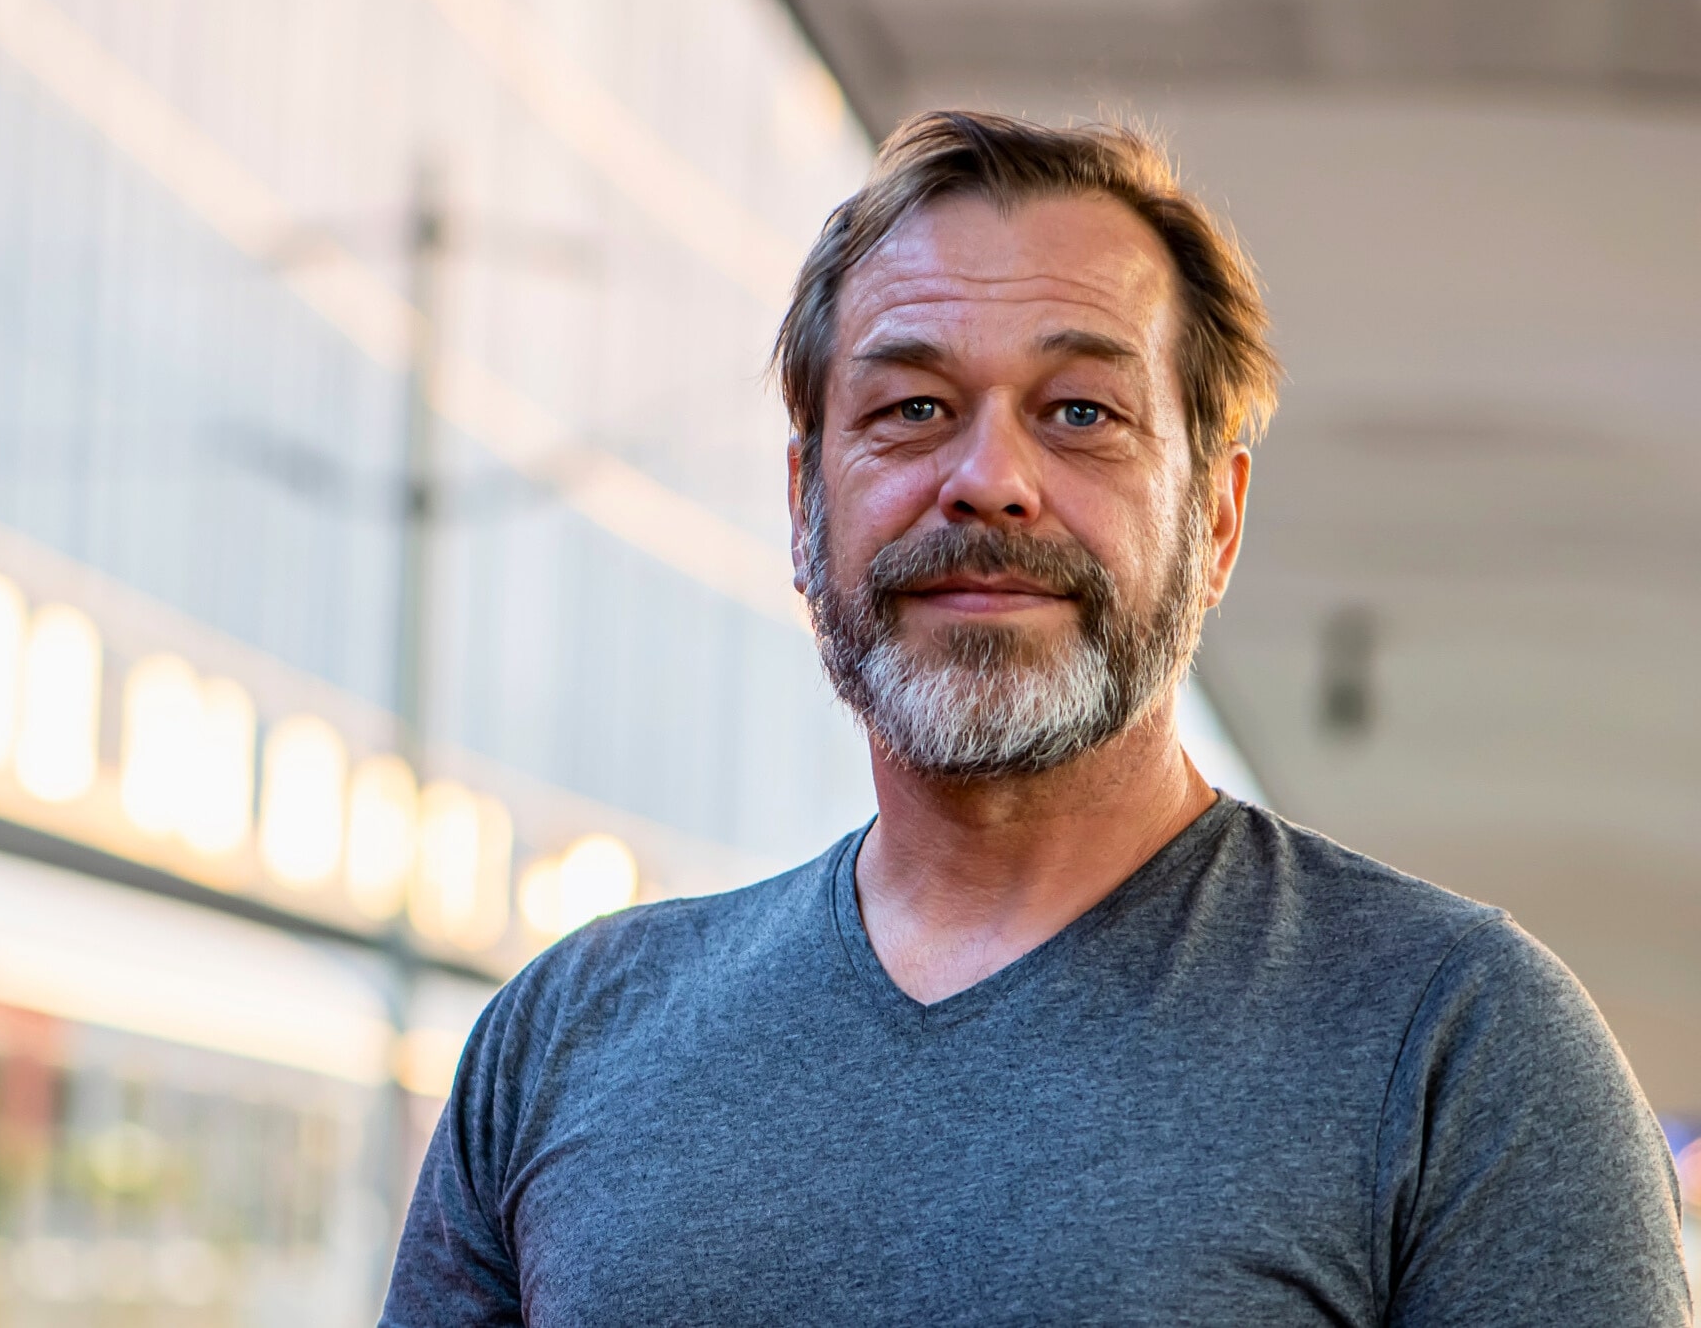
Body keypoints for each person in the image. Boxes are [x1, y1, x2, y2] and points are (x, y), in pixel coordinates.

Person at [381, 111, 1687, 1326]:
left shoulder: (1466, 1047)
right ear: (803, 506)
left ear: (1216, 516)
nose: (990, 479)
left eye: (1082, 413)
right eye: (911, 411)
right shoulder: (563, 1040)